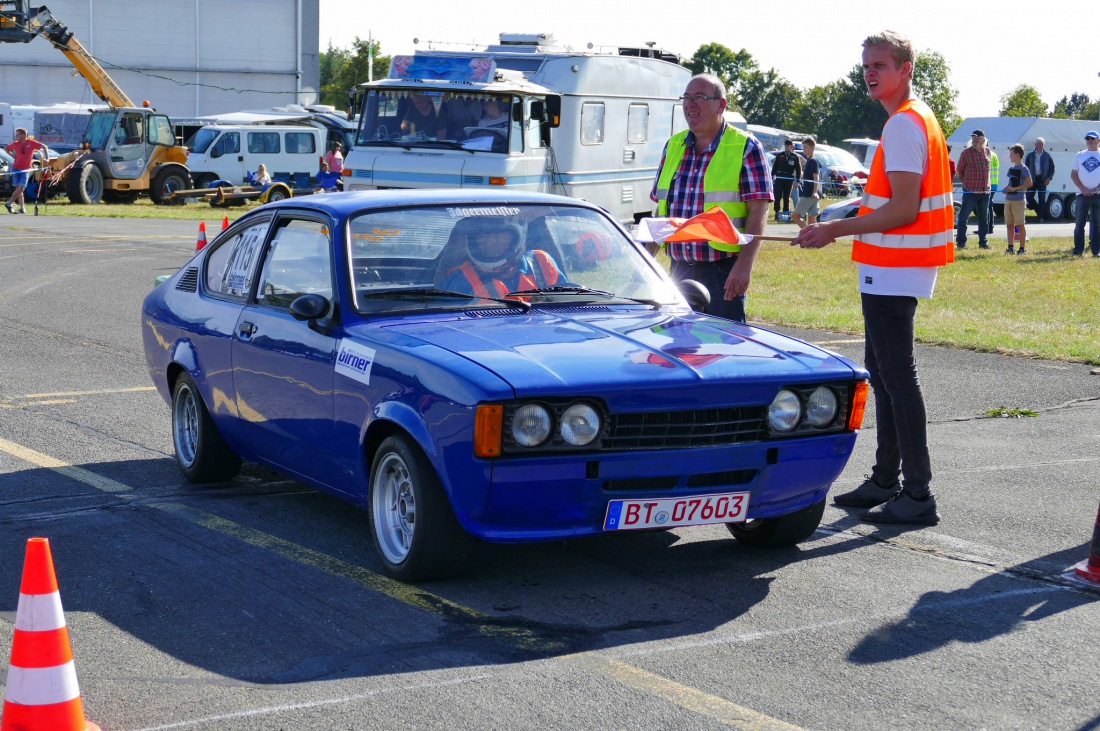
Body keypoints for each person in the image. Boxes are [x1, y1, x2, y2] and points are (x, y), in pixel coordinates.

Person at [791, 31, 954, 526]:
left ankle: (917, 492)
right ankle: (887, 478)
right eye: (867, 64)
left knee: (896, 377)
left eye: (881, 64)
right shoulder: (914, 119)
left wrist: (836, 227)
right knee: (885, 375)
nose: (870, 72)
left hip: (896, 265)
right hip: (895, 265)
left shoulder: (904, 125)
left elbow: (903, 209)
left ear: (905, 69)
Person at [650, 74, 773, 324]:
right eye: (686, 97)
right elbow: (661, 213)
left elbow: (758, 212)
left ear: (722, 105)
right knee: (679, 348)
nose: (690, 104)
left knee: (722, 351)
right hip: (679, 269)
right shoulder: (674, 146)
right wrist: (643, 263)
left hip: (723, 272)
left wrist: (744, 265)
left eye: (700, 97)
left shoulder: (746, 146)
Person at [439, 218, 565, 297]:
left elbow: (569, 298)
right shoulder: (460, 280)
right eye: (482, 235)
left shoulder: (541, 262)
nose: (490, 242)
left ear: (518, 237)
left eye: (500, 235)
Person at [956, 130, 992, 249]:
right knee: (963, 218)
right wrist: (966, 183)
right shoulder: (966, 153)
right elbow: (959, 170)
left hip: (985, 192)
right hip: (970, 191)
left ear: (983, 139)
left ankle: (983, 242)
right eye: (973, 138)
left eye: (977, 138)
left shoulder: (987, 152)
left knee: (983, 219)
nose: (975, 140)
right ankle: (961, 242)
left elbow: (989, 170)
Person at [4, 127, 48, 215]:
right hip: (16, 168)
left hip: (25, 169)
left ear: (23, 135)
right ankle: (22, 208)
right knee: (18, 190)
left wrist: (47, 159)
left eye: (18, 134)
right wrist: (12, 156)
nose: (16, 136)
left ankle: (9, 203)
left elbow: (44, 147)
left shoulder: (31, 143)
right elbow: (6, 148)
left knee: (22, 187)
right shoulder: (16, 144)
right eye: (16, 134)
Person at [1070, 130, 1100, 257]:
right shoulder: (1080, 155)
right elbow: (1073, 174)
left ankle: (1096, 250)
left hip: (1098, 195)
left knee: (1098, 224)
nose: (1090, 140)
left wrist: (1096, 189)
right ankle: (1078, 250)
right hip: (1082, 195)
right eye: (1087, 138)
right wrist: (1083, 189)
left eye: (1093, 138)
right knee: (1079, 224)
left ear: (1098, 140)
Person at [1002, 144, 1032, 254]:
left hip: (1019, 201)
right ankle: (1010, 247)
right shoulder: (1012, 169)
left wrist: (1015, 189)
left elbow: (1029, 183)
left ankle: (1022, 249)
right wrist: (1007, 188)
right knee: (1009, 224)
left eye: (1011, 154)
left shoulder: (1024, 169)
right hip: (1008, 199)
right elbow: (1010, 183)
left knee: (1020, 224)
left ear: (1017, 155)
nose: (1010, 156)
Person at [792, 137, 821, 229]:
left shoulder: (812, 160)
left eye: (806, 147)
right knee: (812, 219)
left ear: (812, 148)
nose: (804, 149)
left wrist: (815, 191)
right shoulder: (809, 161)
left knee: (796, 216)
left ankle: (808, 234)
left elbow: (816, 177)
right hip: (812, 193)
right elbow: (809, 175)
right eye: (803, 147)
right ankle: (815, 238)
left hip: (810, 193)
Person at [1024, 137, 1055, 222]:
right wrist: (1027, 179)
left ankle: (1040, 217)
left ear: (1043, 145)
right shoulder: (1030, 156)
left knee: (1042, 199)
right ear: (1035, 145)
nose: (1040, 145)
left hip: (1042, 179)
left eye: (1042, 144)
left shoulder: (1047, 155)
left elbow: (1052, 168)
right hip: (1032, 179)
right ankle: (1039, 211)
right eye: (1039, 143)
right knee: (1029, 197)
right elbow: (1026, 168)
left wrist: (1049, 178)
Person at [770, 139, 802, 220]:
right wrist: (771, 176)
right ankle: (777, 213)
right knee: (777, 196)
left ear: (792, 147)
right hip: (779, 177)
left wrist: (798, 181)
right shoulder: (780, 155)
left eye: (789, 146)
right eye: (786, 146)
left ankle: (785, 213)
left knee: (786, 197)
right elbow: (775, 167)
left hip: (789, 178)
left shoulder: (795, 157)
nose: (787, 148)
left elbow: (798, 169)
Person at [987, 148, 1000, 235]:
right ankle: (989, 226)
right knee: (989, 205)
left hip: (988, 184)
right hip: (994, 183)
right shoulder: (994, 155)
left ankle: (988, 227)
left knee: (987, 206)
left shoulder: (986, 154)